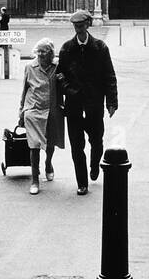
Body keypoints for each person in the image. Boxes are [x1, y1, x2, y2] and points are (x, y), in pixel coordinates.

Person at [57, 10, 118, 195]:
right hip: (74, 104)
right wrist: (68, 89)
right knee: (76, 145)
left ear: (88, 25)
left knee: (96, 141)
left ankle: (94, 165)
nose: (79, 29)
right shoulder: (67, 48)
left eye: (82, 26)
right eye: (76, 26)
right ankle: (81, 183)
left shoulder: (100, 47)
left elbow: (109, 76)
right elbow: (60, 75)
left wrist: (112, 101)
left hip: (94, 103)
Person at [17, 39, 65, 194]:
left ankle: (48, 163)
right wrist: (21, 111)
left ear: (50, 54)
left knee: (50, 142)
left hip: (51, 109)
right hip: (33, 110)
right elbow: (25, 90)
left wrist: (62, 80)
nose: (41, 56)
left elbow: (65, 88)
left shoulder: (57, 67)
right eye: (39, 53)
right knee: (34, 145)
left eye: (44, 53)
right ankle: (35, 180)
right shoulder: (30, 67)